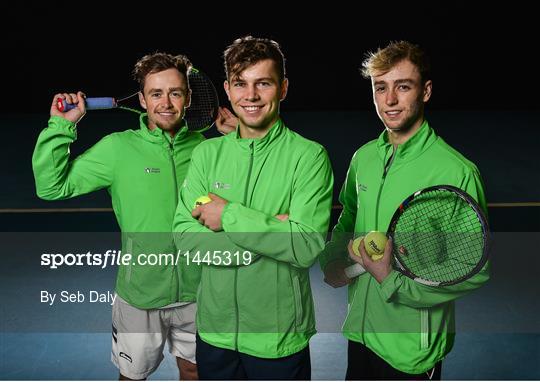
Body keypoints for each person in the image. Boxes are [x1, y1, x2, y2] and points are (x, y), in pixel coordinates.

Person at [32, 52, 235, 380]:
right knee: (131, 376)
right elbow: (52, 187)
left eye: (175, 92)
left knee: (196, 371)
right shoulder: (117, 149)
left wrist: (241, 139)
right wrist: (61, 126)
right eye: (156, 93)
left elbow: (260, 201)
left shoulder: (211, 151)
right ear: (141, 99)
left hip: (201, 293)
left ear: (188, 98)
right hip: (140, 296)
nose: (166, 103)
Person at [320, 41, 490, 380]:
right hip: (361, 334)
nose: (390, 100)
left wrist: (391, 281)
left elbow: (473, 268)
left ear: (425, 91)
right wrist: (333, 261)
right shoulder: (364, 158)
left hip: (411, 351)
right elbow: (348, 220)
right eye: (380, 88)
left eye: (403, 86)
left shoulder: (456, 172)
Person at [172, 36, 334, 380]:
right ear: (228, 90)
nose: (251, 96)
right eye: (241, 84)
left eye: (263, 83)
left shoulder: (309, 157)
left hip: (278, 338)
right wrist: (272, 231)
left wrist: (229, 215)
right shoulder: (206, 155)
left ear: (283, 88)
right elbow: (184, 237)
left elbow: (305, 246)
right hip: (214, 333)